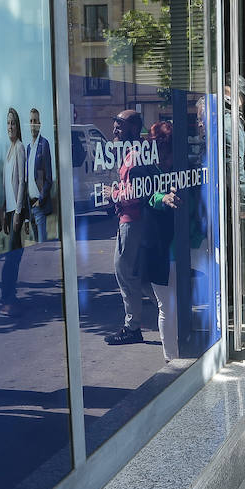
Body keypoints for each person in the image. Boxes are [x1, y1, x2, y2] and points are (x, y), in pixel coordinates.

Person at [137, 121, 182, 362]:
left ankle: (179, 351)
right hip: (159, 247)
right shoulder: (143, 170)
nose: (165, 151)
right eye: (161, 145)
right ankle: (171, 358)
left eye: (168, 145)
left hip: (183, 246)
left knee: (178, 303)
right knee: (166, 306)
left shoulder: (182, 167)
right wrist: (163, 198)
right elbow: (146, 196)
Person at [106, 109, 148, 346]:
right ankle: (168, 313)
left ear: (133, 128)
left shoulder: (134, 155)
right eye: (115, 124)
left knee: (123, 271)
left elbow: (133, 194)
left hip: (131, 222)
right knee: (137, 275)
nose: (115, 130)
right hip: (135, 221)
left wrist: (112, 193)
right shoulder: (135, 151)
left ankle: (132, 327)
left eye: (120, 126)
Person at [0, 108, 27, 316]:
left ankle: (8, 299)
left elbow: (22, 183)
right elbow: (6, 185)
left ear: (18, 126)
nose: (10, 127)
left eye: (13, 123)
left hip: (17, 210)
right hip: (9, 211)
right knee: (12, 256)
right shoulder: (8, 149)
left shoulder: (19, 148)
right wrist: (5, 214)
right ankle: (9, 297)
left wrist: (17, 212)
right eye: (8, 124)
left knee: (11, 258)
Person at [26, 107, 54, 244]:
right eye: (31, 121)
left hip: (39, 205)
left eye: (35, 121)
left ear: (40, 123)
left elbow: (49, 178)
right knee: (36, 249)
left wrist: (41, 200)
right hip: (30, 206)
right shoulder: (28, 148)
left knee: (43, 248)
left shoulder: (44, 144)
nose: (33, 123)